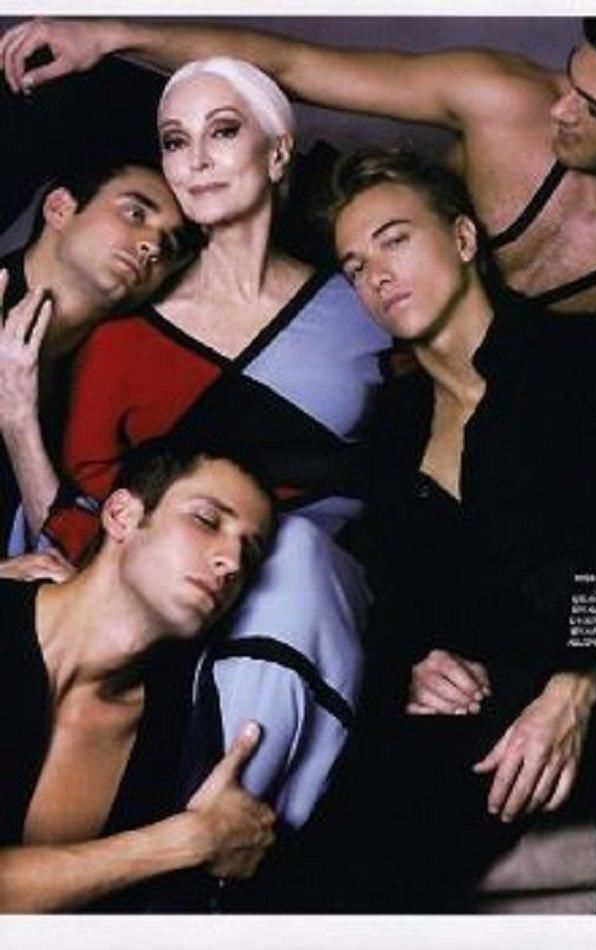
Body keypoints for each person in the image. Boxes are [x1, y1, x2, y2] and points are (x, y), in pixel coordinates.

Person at [252, 148, 596, 914]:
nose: (377, 275)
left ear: (465, 239)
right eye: (354, 266)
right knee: (331, 860)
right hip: (496, 693)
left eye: (395, 239)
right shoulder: (392, 430)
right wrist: (416, 664)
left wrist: (573, 690)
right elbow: (401, 594)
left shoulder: (592, 357)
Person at [32, 58, 388, 883]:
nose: (193, 159)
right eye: (174, 140)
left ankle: (226, 866)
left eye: (222, 132)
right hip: (156, 593)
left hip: (320, 591)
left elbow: (446, 440)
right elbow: (92, 502)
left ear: (278, 151)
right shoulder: (124, 334)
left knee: (295, 553)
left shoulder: (366, 303)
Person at [1, 17, 596, 408]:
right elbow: (292, 65)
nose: (561, 108)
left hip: (448, 370)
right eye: (571, 78)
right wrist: (110, 33)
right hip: (349, 244)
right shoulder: (506, 99)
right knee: (98, 91)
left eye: (595, 109)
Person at [0, 438, 277, 913]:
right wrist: (186, 843)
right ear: (121, 515)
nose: (230, 562)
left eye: (248, 554)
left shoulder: (173, 727)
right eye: (206, 520)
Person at [0, 160, 197, 554]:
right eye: (135, 214)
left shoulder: (110, 374)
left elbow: (73, 553)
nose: (153, 246)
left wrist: (20, 422)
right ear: (60, 208)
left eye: (170, 245)